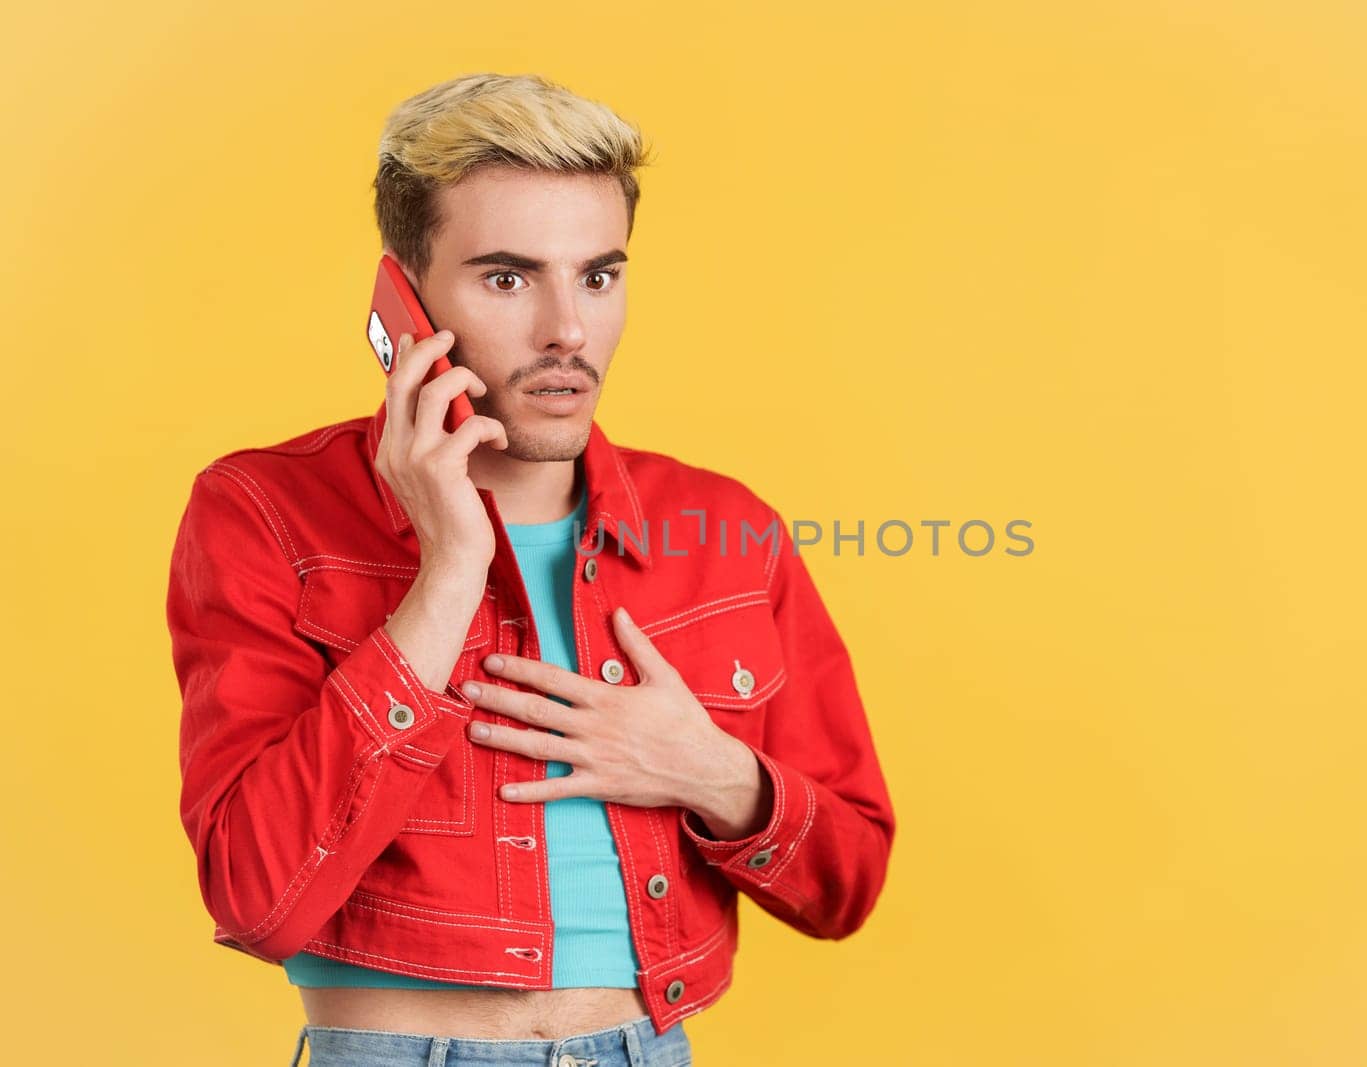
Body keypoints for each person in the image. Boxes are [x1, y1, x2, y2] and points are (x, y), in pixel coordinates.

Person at [165, 72, 896, 1066]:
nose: (567, 329)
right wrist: (449, 568)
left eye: (598, 275)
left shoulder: (726, 527)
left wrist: (714, 772)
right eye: (508, 277)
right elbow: (255, 895)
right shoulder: (262, 510)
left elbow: (845, 881)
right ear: (405, 300)